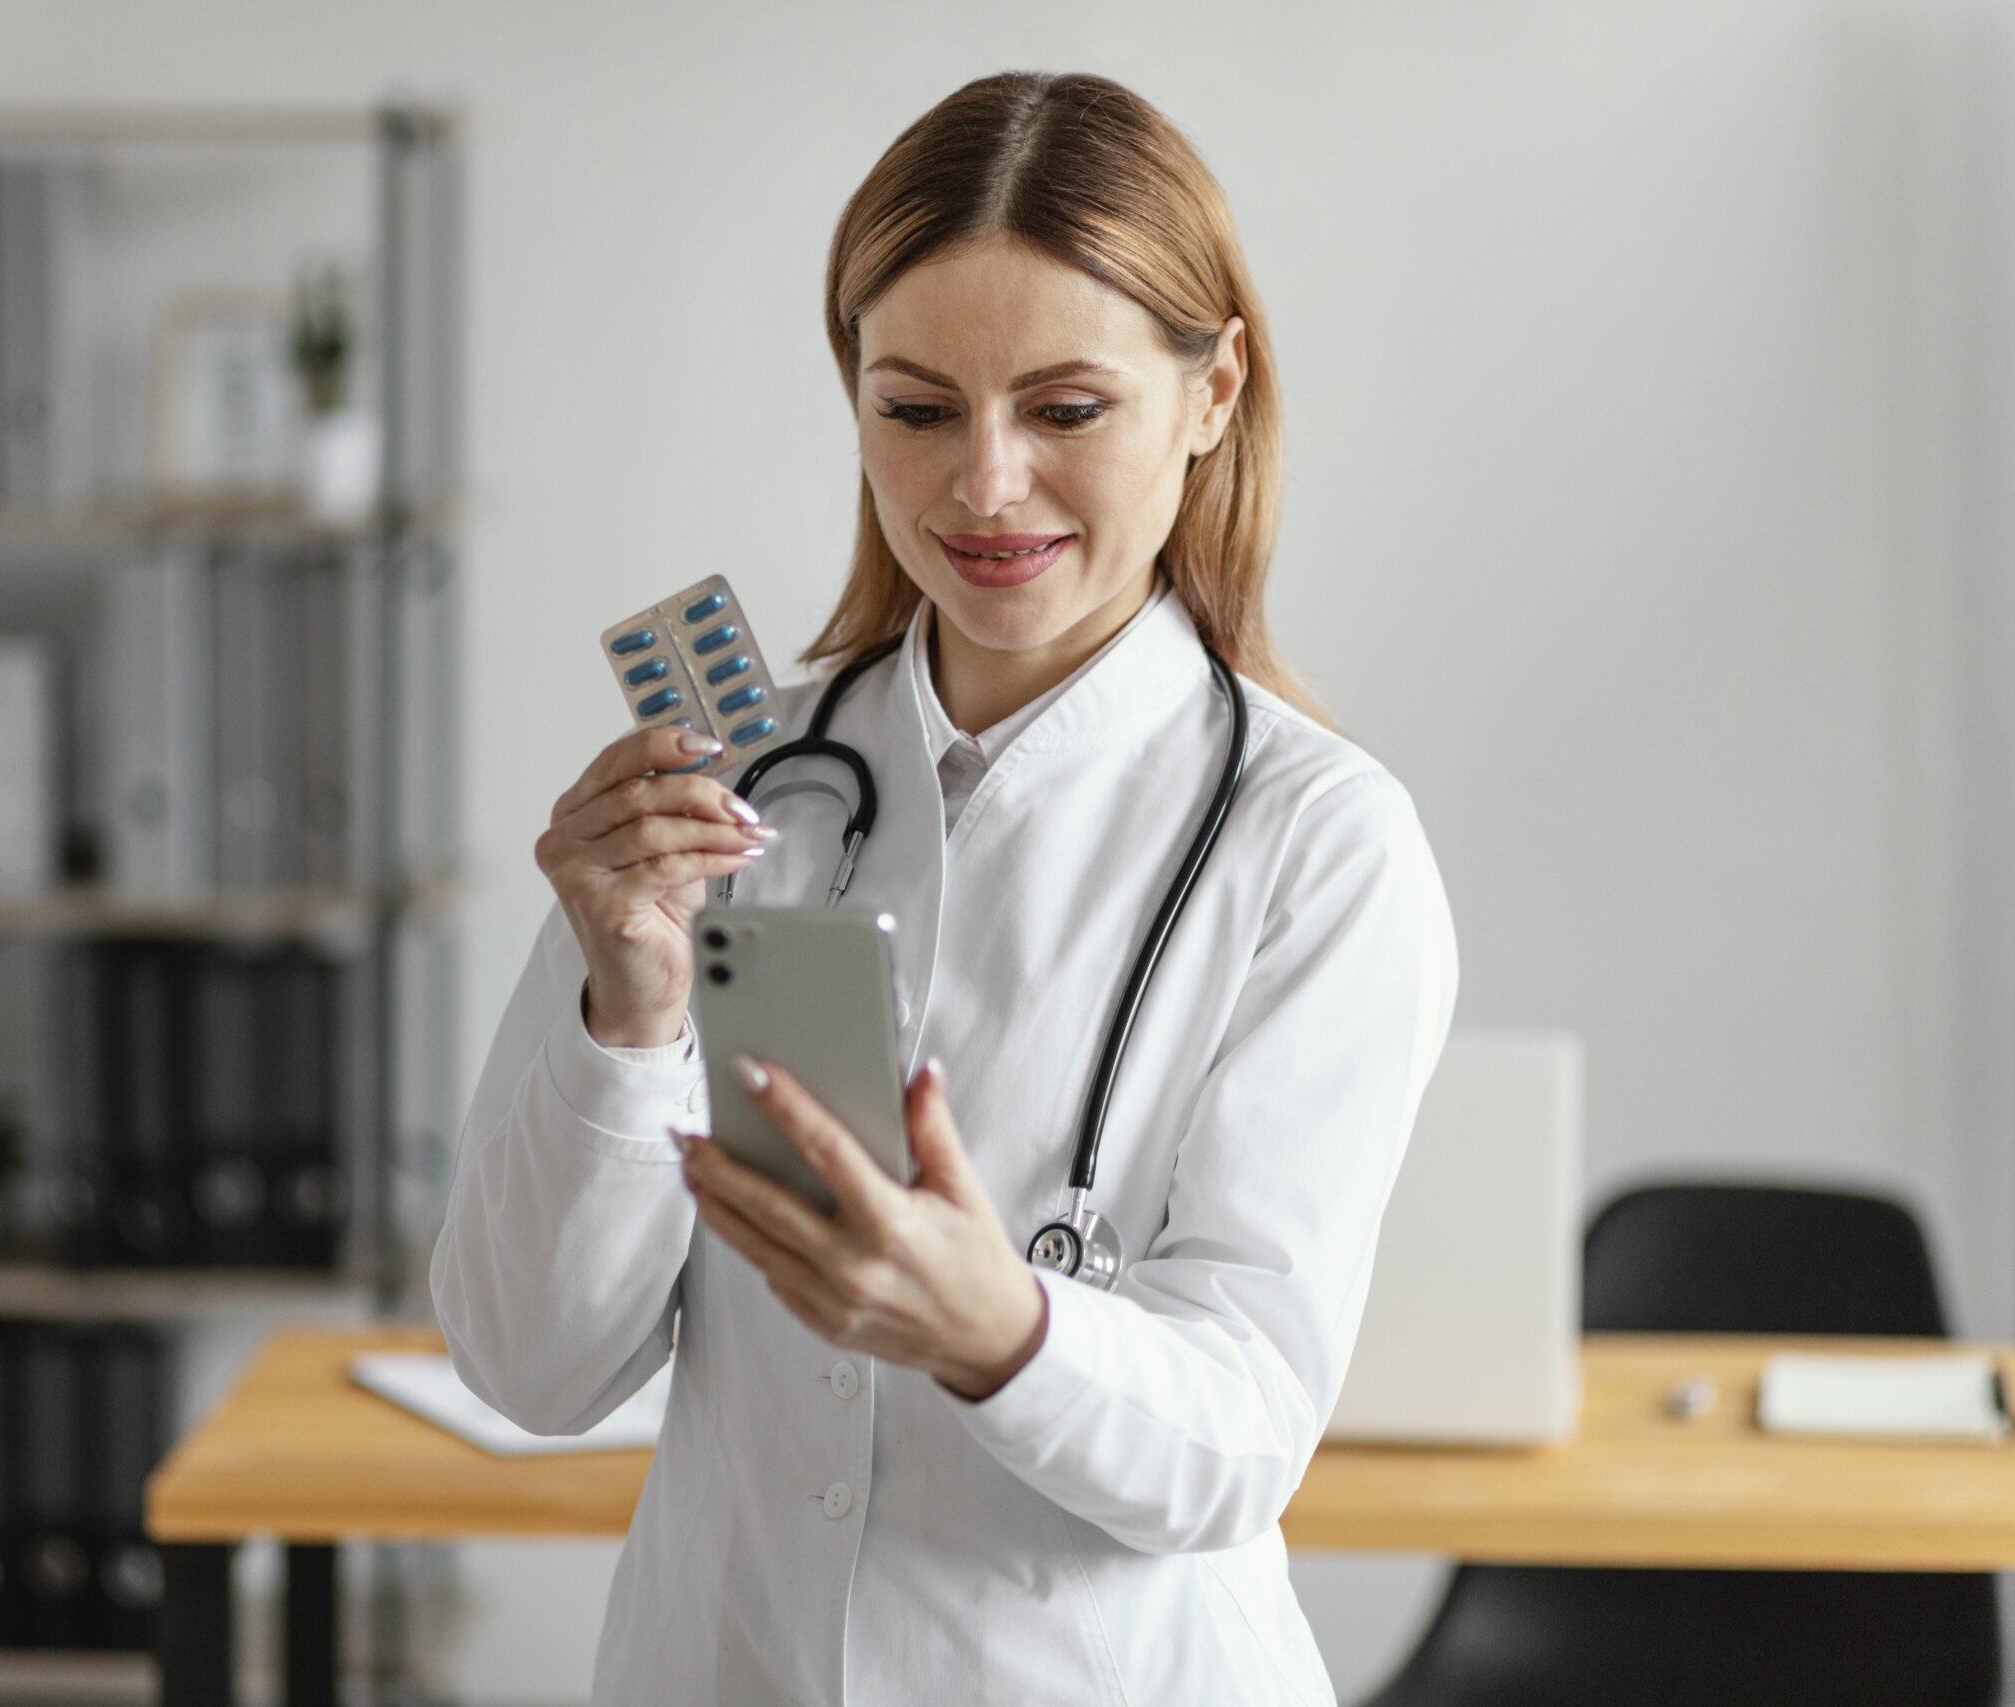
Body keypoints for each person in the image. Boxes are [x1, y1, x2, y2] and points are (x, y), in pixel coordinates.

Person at [430, 69, 1459, 1705]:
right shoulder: (735, 793)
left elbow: (1241, 1442)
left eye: (1065, 411)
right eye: (917, 409)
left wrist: (1007, 1330)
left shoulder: (1316, 844)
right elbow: (528, 1366)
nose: (982, 488)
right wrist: (625, 1010)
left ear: (1210, 394)